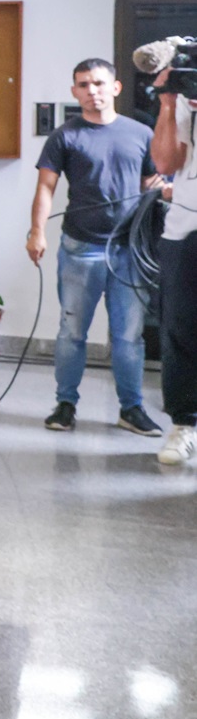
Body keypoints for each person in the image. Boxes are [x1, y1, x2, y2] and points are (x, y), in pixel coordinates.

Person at [28, 58, 159, 436]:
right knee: (72, 333)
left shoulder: (140, 133)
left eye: (99, 83)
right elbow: (45, 188)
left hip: (128, 251)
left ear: (115, 88)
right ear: (74, 92)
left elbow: (151, 180)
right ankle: (65, 404)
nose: (92, 91)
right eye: (83, 85)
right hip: (80, 248)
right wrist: (36, 232)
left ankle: (131, 408)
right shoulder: (65, 136)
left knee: (128, 336)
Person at [149, 50, 197, 465]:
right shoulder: (184, 94)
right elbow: (165, 161)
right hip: (185, 228)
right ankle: (184, 424)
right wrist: (168, 100)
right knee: (179, 329)